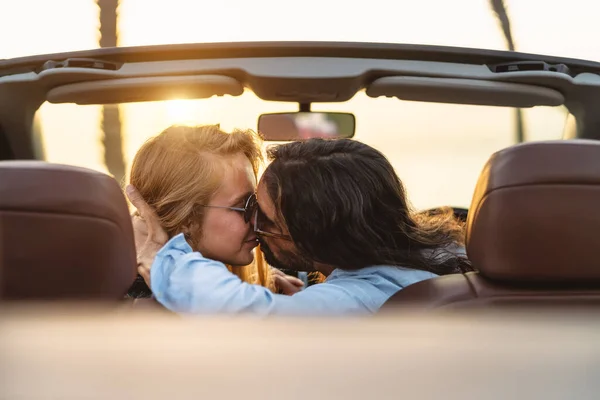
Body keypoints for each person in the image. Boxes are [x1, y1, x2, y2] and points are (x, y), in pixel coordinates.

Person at [129, 138, 472, 316]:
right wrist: (311, 298)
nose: (256, 226)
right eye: (244, 208)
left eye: (261, 212)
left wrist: (163, 261)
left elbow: (250, 319)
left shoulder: (356, 299)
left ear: (316, 230)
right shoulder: (443, 259)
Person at [125, 124, 304, 298]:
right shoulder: (146, 305)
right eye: (244, 205)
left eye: (256, 202)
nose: (258, 218)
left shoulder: (239, 288)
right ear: (187, 219)